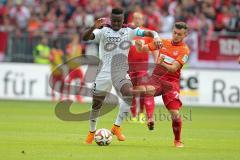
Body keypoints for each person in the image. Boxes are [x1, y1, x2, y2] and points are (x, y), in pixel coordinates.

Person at [82, 8, 161, 144]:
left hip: (120, 72)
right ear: (111, 19)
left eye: (119, 21)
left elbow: (149, 32)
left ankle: (116, 127)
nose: (116, 23)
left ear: (123, 20)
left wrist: (156, 36)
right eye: (114, 20)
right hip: (103, 73)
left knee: (129, 94)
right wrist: (93, 27)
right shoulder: (103, 30)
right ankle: (91, 132)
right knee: (96, 105)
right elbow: (85, 38)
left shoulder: (129, 31)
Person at [135, 22, 190, 147]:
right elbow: (142, 49)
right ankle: (150, 118)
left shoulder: (184, 50)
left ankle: (177, 140)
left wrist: (162, 63)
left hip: (171, 82)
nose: (176, 36)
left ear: (185, 35)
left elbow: (173, 68)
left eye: (179, 34)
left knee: (175, 114)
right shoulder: (163, 42)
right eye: (174, 33)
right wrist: (139, 45)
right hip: (157, 78)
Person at [128, 12, 155, 129]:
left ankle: (141, 113)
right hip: (130, 66)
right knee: (133, 91)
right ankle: (133, 114)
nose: (137, 20)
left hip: (143, 66)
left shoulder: (147, 34)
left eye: (140, 18)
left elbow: (153, 48)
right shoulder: (128, 32)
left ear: (142, 20)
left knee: (143, 90)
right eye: (135, 18)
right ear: (133, 19)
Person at [66, 34, 84, 103]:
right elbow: (69, 55)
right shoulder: (69, 46)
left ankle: (78, 96)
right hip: (71, 67)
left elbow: (79, 56)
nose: (76, 40)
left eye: (77, 39)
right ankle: (67, 96)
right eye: (75, 38)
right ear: (73, 39)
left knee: (82, 81)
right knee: (69, 82)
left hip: (77, 67)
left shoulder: (79, 47)